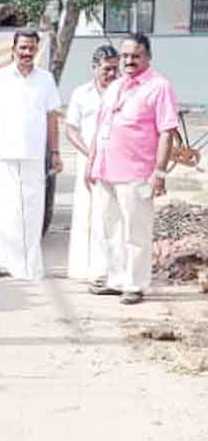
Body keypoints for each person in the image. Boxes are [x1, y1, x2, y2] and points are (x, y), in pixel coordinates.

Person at [86, 34, 179, 305]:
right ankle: (117, 280)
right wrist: (91, 162)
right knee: (110, 229)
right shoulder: (115, 87)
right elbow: (101, 125)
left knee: (136, 232)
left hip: (137, 172)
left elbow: (166, 132)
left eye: (135, 56)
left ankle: (136, 285)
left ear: (148, 57)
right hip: (106, 170)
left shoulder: (159, 87)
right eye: (125, 56)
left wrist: (159, 173)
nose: (129, 61)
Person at [0, 30, 63, 280]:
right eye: (22, 48)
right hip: (5, 154)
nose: (27, 53)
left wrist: (55, 152)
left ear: (37, 50)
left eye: (31, 49)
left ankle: (27, 265)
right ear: (13, 49)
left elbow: (52, 119)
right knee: (3, 209)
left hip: (34, 156)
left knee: (31, 211)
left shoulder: (45, 80)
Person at [65, 45, 119, 281]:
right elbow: (70, 128)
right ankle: (81, 269)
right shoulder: (81, 93)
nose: (112, 74)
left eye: (115, 69)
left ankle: (105, 269)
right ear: (94, 67)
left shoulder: (122, 92)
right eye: (107, 69)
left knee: (107, 215)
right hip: (87, 159)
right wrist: (90, 153)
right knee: (84, 213)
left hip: (116, 161)